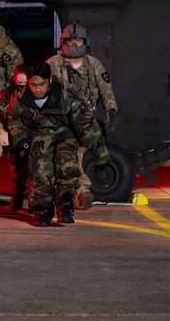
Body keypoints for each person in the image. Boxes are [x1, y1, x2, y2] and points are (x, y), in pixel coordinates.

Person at [6, 62, 110, 227]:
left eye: (42, 84)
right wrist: (20, 139)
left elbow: (86, 125)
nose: (37, 89)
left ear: (50, 81)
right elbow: (14, 120)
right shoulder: (20, 99)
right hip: (38, 135)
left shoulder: (65, 97)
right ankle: (42, 209)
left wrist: (101, 154)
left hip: (64, 133)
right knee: (38, 167)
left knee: (66, 163)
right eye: (33, 85)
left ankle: (65, 204)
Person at [46, 21, 118, 209]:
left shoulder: (93, 64)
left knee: (76, 155)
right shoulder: (53, 64)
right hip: (60, 120)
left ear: (85, 42)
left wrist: (111, 110)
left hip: (86, 120)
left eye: (78, 40)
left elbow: (106, 90)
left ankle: (79, 191)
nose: (73, 44)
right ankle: (73, 192)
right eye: (69, 40)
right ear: (62, 42)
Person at [0, 63, 31, 211]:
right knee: (18, 166)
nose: (21, 87)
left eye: (24, 84)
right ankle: (19, 195)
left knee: (37, 168)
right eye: (19, 84)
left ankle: (37, 199)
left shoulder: (37, 87)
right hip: (15, 131)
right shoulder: (9, 91)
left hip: (34, 131)